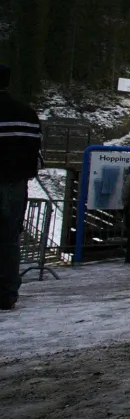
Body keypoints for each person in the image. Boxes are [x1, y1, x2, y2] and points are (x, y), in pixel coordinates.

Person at [0, 64, 41, 310]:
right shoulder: (26, 113)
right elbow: (36, 151)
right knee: (9, 239)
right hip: (16, 183)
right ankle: (7, 293)